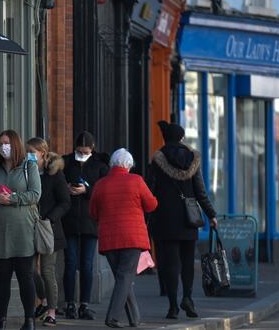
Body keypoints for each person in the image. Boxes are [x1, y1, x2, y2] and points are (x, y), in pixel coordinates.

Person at [147, 121, 217, 319]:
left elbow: (149, 191)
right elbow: (200, 192)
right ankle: (188, 297)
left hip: (165, 219)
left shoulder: (157, 160)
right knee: (187, 261)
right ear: (181, 138)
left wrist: (146, 217)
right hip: (189, 218)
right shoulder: (193, 159)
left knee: (170, 263)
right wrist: (211, 215)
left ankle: (172, 306)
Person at [89, 148, 158, 328]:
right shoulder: (136, 181)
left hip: (109, 239)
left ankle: (134, 318)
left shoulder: (100, 184)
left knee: (122, 278)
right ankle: (112, 317)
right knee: (125, 277)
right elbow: (152, 204)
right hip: (132, 237)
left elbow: (93, 212)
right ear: (128, 165)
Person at [0, 130, 41, 330]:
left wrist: (13, 198)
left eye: (6, 143)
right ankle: (1, 320)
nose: (3, 147)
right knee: (2, 278)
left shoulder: (28, 166)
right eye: (0, 144)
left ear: (15, 145)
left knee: (26, 276)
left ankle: (29, 320)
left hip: (22, 231)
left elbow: (35, 194)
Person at [61, 131, 109, 320]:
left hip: (90, 221)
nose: (81, 153)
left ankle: (84, 304)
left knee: (87, 265)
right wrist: (65, 188)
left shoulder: (100, 165)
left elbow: (103, 190)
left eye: (85, 150)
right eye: (79, 150)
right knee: (71, 263)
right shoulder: (65, 162)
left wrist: (87, 190)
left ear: (92, 148)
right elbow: (58, 184)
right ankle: (70, 303)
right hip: (70, 219)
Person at [26, 138, 70, 327]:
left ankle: (52, 311)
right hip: (29, 226)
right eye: (27, 152)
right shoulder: (27, 172)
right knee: (28, 269)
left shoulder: (55, 175)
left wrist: (50, 218)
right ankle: (43, 300)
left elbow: (65, 202)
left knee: (47, 270)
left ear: (42, 154)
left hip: (49, 229)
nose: (29, 155)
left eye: (32, 152)